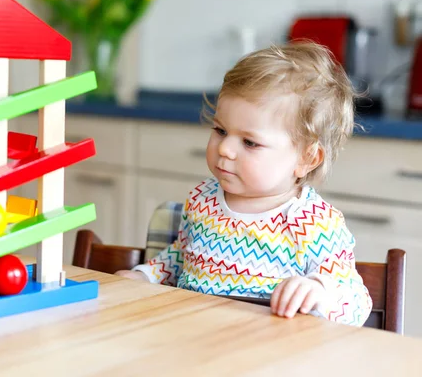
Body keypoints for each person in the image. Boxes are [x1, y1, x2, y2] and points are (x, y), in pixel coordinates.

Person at [115, 41, 372, 326]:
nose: (225, 148)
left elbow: (356, 303)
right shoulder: (203, 200)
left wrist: (320, 292)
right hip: (192, 341)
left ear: (307, 158)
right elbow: (181, 257)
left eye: (250, 142)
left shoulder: (315, 224)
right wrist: (145, 275)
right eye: (220, 130)